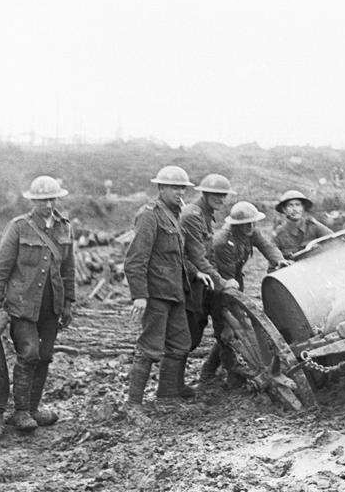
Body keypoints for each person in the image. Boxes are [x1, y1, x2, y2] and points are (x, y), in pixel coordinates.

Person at [0, 175, 75, 432]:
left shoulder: (64, 227)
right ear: (33, 201)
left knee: (45, 356)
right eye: (42, 200)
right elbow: (1, 266)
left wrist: (68, 302)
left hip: (52, 305)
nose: (48, 205)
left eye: (52, 199)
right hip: (23, 305)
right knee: (29, 353)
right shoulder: (19, 227)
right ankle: (21, 411)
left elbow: (69, 268)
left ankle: (33, 408)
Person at [123, 166, 214, 416]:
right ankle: (133, 405)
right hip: (156, 293)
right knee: (150, 347)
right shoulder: (149, 215)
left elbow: (177, 256)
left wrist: (196, 272)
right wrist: (140, 295)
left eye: (183, 188)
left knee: (180, 343)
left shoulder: (174, 215)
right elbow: (135, 259)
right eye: (174, 187)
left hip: (175, 292)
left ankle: (167, 399)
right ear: (161, 188)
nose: (180, 192)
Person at [200, 201, 290, 382]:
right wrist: (231, 297)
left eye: (253, 223)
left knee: (235, 326)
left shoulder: (251, 230)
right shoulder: (223, 242)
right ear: (236, 225)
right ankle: (230, 371)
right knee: (226, 327)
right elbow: (225, 281)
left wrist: (279, 260)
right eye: (246, 224)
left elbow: (267, 246)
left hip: (234, 280)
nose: (251, 227)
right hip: (217, 286)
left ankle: (210, 368)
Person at [180, 173, 238, 396]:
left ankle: (213, 376)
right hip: (191, 283)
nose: (220, 199)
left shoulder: (205, 215)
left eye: (223, 195)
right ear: (204, 193)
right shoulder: (192, 216)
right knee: (189, 335)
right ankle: (172, 387)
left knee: (214, 327)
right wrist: (222, 283)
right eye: (215, 194)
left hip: (204, 282)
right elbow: (198, 257)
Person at [272, 190, 333, 259]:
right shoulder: (279, 235)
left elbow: (334, 240)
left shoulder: (313, 226)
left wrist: (320, 248)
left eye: (298, 205)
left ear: (303, 208)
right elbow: (274, 263)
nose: (295, 209)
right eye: (290, 205)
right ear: (284, 210)